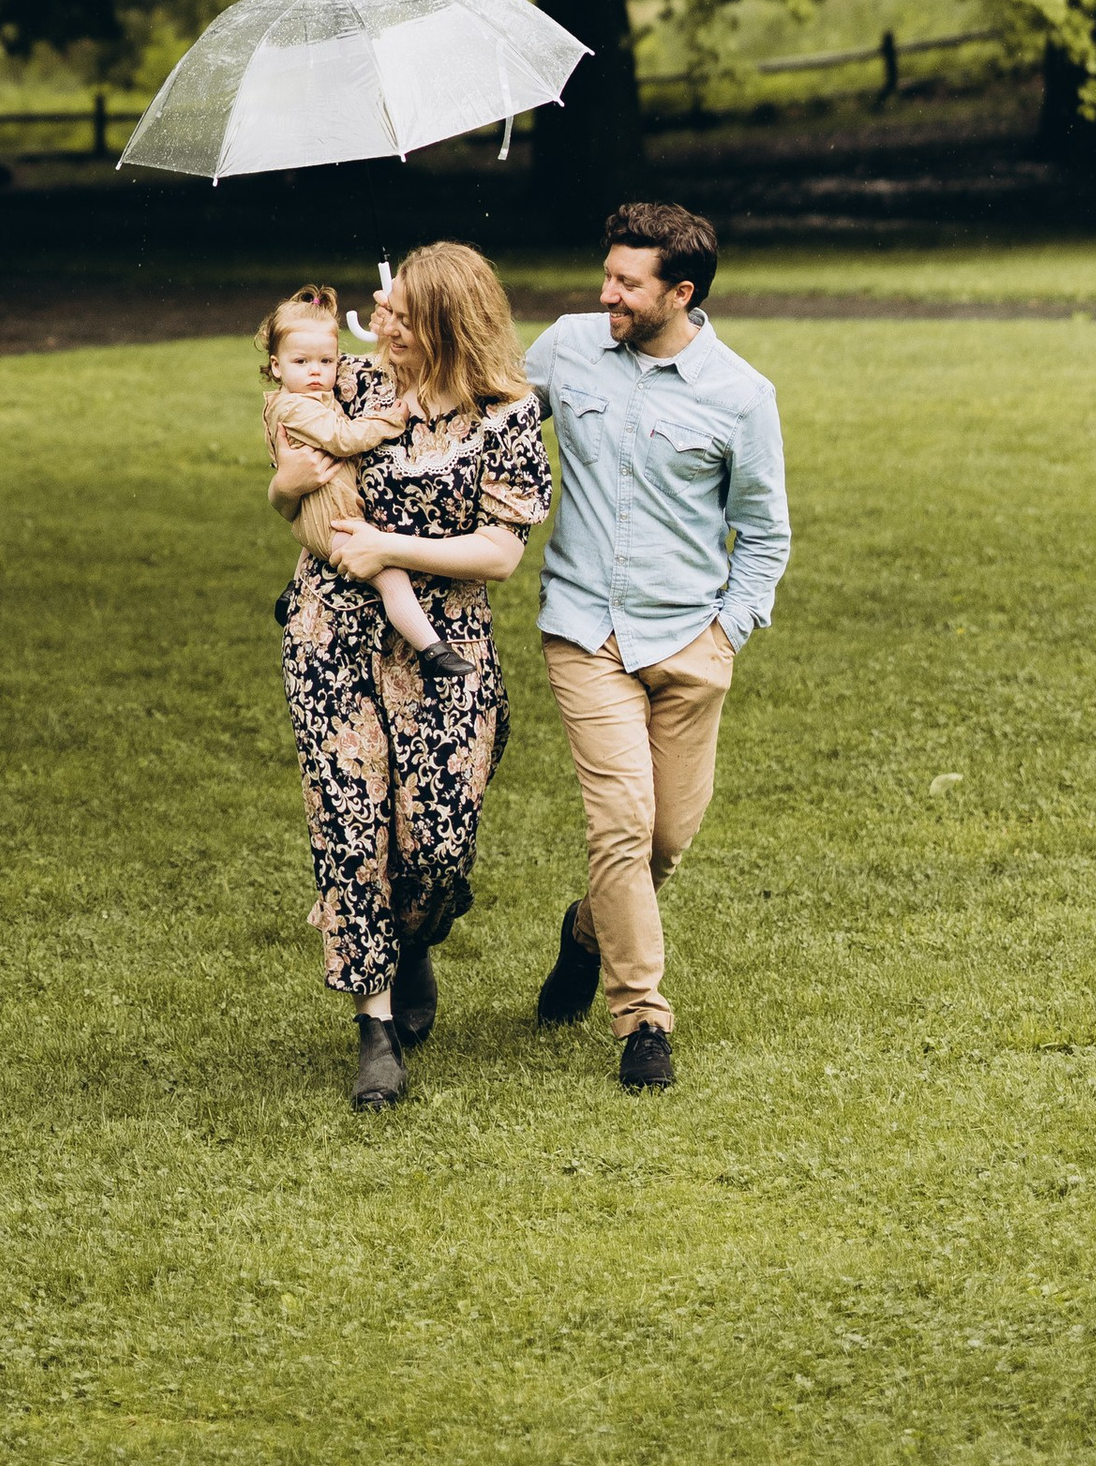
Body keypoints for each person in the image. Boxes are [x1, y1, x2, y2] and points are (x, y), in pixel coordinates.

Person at [269, 241, 552, 1111]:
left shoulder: (507, 414)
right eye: (386, 317)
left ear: (450, 325)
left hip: (444, 646)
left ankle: (414, 937)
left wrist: (388, 547)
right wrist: (284, 486)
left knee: (435, 846)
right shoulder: (353, 387)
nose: (384, 331)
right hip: (332, 634)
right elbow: (294, 485)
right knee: (350, 826)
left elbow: (500, 553)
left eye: (403, 320)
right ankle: (376, 1028)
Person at [522, 199, 790, 1093]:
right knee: (623, 826)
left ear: (681, 294)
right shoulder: (566, 347)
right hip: (585, 631)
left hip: (689, 642)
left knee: (664, 841)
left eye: (627, 284)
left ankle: (585, 934)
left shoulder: (741, 396)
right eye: (607, 275)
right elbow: (483, 417)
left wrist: (727, 632)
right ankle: (642, 1019)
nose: (606, 294)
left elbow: (765, 534)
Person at [259, 287, 475, 680]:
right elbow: (344, 438)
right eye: (301, 361)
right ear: (276, 366)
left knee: (318, 535)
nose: (315, 371)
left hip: (325, 508)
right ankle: (431, 648)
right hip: (331, 516)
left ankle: (292, 590)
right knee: (389, 574)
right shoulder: (295, 406)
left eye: (326, 361)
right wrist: (391, 420)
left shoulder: (309, 397)